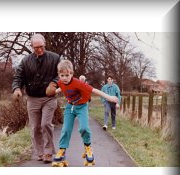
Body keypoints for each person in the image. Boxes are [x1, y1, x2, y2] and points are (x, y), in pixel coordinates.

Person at [51, 60, 118, 167]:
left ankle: (88, 148)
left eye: (67, 75)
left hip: (82, 106)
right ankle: (62, 150)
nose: (64, 78)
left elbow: (94, 90)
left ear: (72, 74)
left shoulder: (78, 83)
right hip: (70, 107)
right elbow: (60, 89)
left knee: (84, 128)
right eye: (61, 75)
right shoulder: (60, 82)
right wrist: (51, 92)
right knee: (66, 129)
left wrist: (109, 97)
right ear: (59, 75)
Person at [12, 33, 60, 163]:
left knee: (45, 124)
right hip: (32, 98)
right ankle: (40, 153)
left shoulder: (55, 58)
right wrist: (16, 88)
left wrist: (54, 83)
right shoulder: (26, 61)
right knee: (35, 127)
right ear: (32, 47)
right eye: (36, 47)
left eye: (41, 46)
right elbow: (18, 77)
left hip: (49, 98)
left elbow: (62, 74)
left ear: (45, 44)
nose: (39, 49)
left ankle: (48, 152)